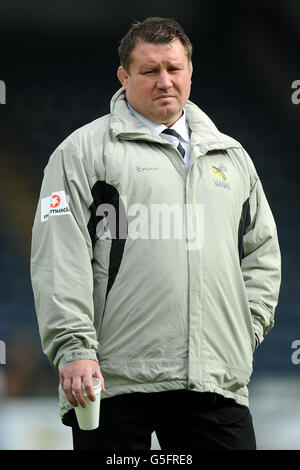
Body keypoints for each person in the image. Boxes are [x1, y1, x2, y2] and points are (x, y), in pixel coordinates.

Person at [31, 17, 281, 451]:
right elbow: (59, 257)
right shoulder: (81, 153)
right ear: (124, 77)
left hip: (213, 380)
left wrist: (243, 330)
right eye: (150, 71)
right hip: (111, 382)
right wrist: (74, 351)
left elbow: (261, 255)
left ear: (189, 71)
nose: (165, 81)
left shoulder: (232, 157)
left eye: (174, 68)